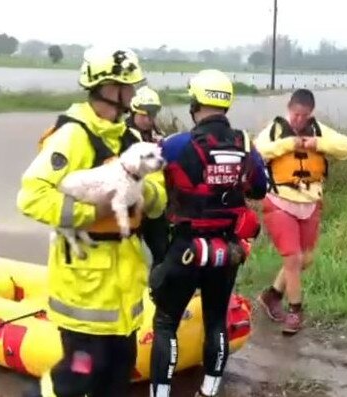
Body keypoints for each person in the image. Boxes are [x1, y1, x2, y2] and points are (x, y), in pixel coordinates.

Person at [17, 47, 167, 397]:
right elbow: (32, 197)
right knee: (78, 375)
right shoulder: (73, 137)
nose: (132, 96)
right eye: (127, 88)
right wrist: (94, 210)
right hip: (84, 289)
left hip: (122, 294)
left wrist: (145, 194)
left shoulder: (130, 139)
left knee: (117, 379)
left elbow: (158, 198)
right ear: (108, 89)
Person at [148, 69, 268, 397]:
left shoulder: (174, 145)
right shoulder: (246, 144)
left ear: (195, 103)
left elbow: (145, 182)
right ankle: (208, 391)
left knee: (166, 322)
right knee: (216, 320)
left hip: (187, 247)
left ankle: (160, 394)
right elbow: (260, 188)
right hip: (228, 248)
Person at [255, 89, 347, 335]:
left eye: (304, 115)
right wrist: (288, 144)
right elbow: (256, 151)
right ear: (289, 108)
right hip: (279, 201)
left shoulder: (318, 129)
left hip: (310, 202)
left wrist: (318, 144)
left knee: (306, 259)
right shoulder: (276, 129)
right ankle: (295, 311)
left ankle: (272, 295)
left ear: (311, 113)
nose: (299, 119)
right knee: (292, 259)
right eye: (295, 114)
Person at [127, 86, 170, 266]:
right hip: (132, 204)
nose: (148, 120)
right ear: (133, 111)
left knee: (163, 252)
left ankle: (156, 291)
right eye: (144, 115)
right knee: (129, 256)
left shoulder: (160, 137)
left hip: (155, 206)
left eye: (152, 115)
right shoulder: (122, 136)